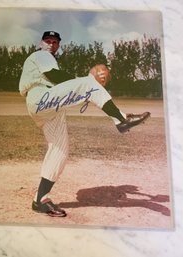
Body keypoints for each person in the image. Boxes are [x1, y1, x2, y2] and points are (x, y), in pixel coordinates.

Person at [19, 31, 150, 217]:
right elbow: (55, 76)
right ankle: (121, 120)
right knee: (89, 84)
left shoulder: (49, 58)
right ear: (41, 43)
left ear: (58, 46)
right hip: (40, 97)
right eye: (47, 41)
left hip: (49, 108)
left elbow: (62, 84)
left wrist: (85, 86)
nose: (50, 44)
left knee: (60, 151)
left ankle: (40, 199)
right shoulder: (41, 55)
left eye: (55, 42)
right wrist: (85, 83)